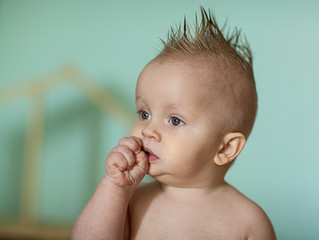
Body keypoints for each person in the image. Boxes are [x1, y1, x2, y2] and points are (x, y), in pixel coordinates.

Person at [72, 7, 276, 240]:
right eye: (144, 114)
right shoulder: (132, 201)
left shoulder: (248, 221)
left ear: (225, 148)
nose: (148, 130)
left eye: (175, 120)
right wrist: (115, 188)